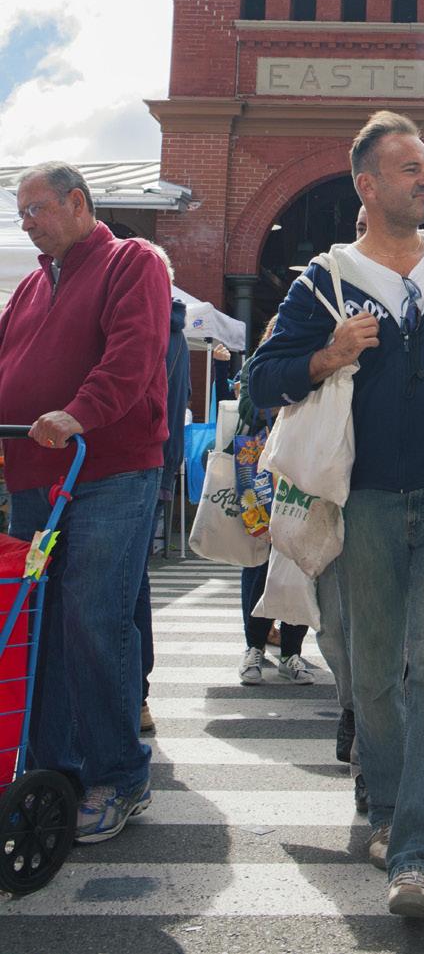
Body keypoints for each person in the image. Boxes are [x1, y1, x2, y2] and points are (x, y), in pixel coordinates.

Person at [249, 110, 424, 919]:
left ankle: (419, 854)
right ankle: (388, 806)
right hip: (362, 500)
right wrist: (327, 354)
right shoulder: (325, 279)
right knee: (371, 672)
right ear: (367, 185)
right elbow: (262, 378)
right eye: (410, 168)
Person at [0, 162, 171, 843]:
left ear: (76, 202)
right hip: (34, 475)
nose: (26, 222)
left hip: (107, 469)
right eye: (21, 212)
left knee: (94, 618)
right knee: (38, 625)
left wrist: (79, 412)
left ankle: (118, 775)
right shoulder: (30, 285)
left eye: (35, 208)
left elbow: (133, 355)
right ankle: (54, 771)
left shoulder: (133, 261)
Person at [236, 315, 315, 686]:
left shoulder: (315, 362)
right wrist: (281, 400)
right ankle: (253, 646)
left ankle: (291, 652)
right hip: (261, 472)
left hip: (303, 470)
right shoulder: (259, 364)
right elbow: (247, 408)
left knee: (300, 558)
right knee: (260, 561)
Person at [135, 248, 191, 734]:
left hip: (138, 465)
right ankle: (137, 697)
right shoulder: (175, 330)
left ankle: (137, 695)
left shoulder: (160, 330)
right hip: (156, 464)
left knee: (129, 585)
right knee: (134, 582)